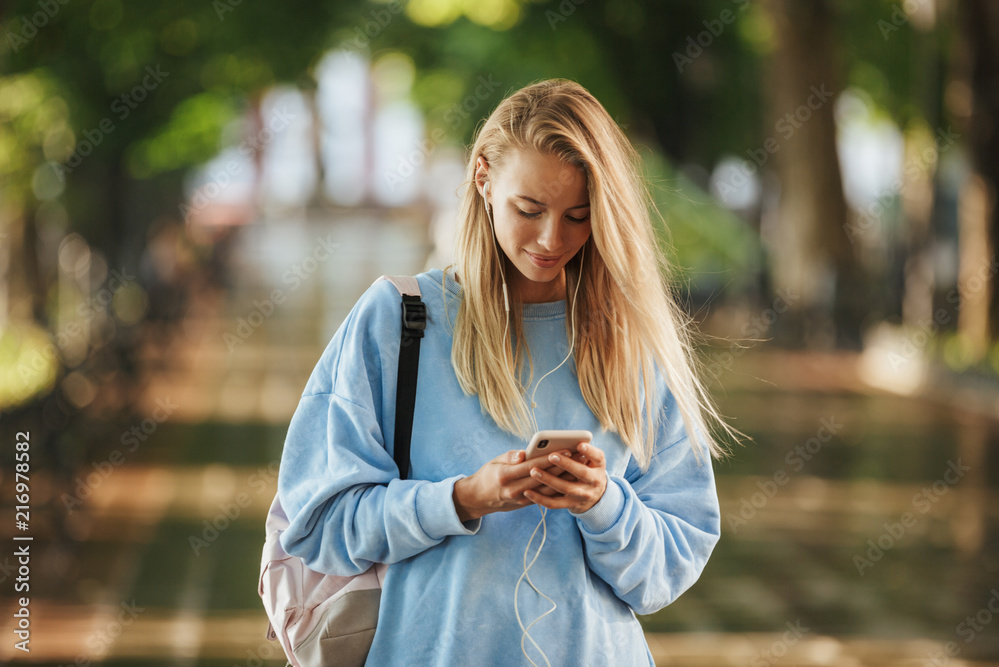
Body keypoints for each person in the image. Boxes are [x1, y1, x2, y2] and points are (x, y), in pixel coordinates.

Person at [277, 78, 736, 666]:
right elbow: (318, 523)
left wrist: (603, 505)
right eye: (529, 209)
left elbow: (667, 570)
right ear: (484, 179)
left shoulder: (632, 340)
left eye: (578, 215)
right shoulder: (400, 319)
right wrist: (463, 499)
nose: (552, 240)